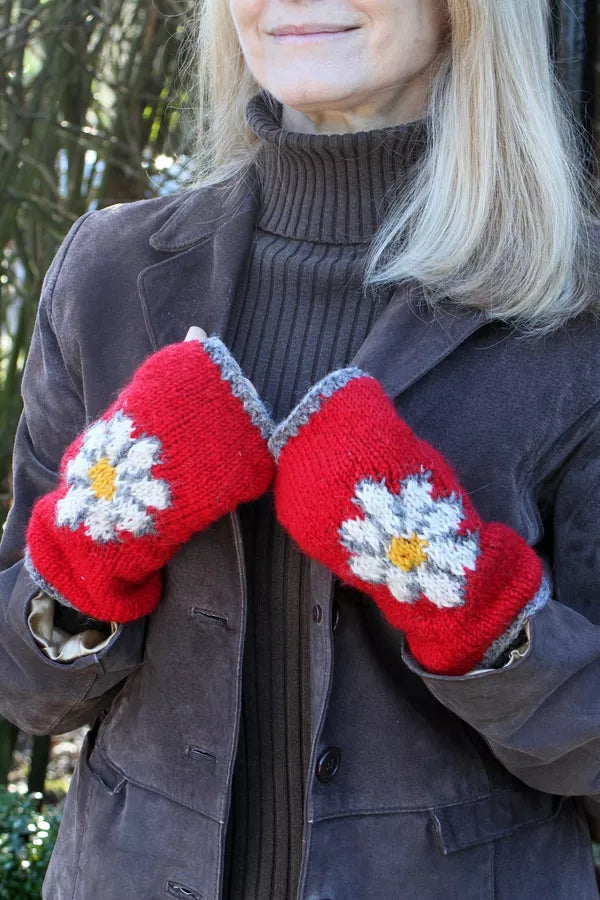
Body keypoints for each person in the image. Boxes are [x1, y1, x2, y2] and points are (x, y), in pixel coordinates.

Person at [1, 0, 600, 896]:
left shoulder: (575, 306)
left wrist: (458, 592)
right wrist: (96, 538)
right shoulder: (107, 271)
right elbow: (23, 691)